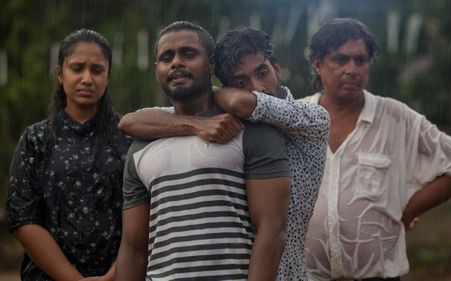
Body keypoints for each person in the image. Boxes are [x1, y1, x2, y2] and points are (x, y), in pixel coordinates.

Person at [117, 27, 331, 281]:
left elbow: (244, 103)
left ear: (277, 67)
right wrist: (196, 122)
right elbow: (129, 121)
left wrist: (215, 91)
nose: (257, 88)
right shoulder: (225, 121)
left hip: (285, 273)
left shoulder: (311, 117)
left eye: (262, 72)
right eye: (242, 82)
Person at [302, 18, 451, 280]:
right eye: (340, 60)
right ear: (317, 64)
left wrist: (405, 211)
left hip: (378, 275)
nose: (352, 69)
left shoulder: (397, 118)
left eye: (360, 60)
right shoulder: (296, 118)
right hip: (306, 275)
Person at [6, 29, 131, 281]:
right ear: (60, 74)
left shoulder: (128, 138)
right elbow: (22, 217)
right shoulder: (35, 140)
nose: (87, 78)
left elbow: (145, 213)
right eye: (77, 68)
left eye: (97, 70)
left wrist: (116, 273)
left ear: (108, 77)